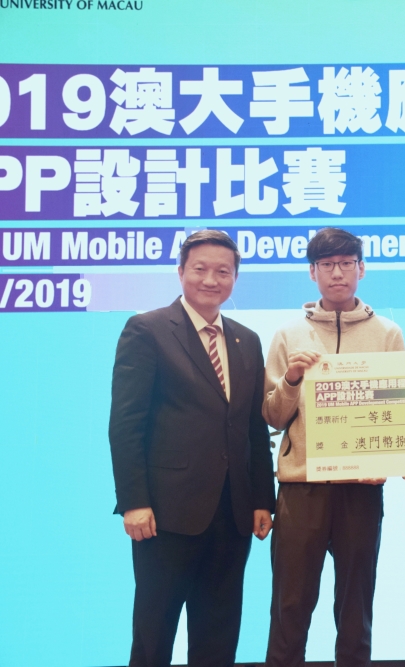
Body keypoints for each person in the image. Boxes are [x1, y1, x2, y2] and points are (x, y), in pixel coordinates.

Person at [109, 229, 276, 667]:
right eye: (200, 269)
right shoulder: (147, 330)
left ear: (235, 278)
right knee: (154, 632)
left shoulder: (246, 339)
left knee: (219, 634)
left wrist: (263, 498)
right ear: (181, 271)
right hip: (165, 514)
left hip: (233, 513)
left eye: (223, 271)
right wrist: (134, 501)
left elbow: (254, 427)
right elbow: (126, 424)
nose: (211, 280)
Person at [262, 227, 405, 667]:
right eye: (327, 265)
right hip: (301, 488)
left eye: (346, 263)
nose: (337, 273)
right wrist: (291, 379)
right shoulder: (288, 335)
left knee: (356, 608)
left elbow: (402, 412)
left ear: (362, 269)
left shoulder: (388, 333)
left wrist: (390, 462)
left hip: (361, 489)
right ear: (312, 273)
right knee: (289, 607)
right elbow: (272, 416)